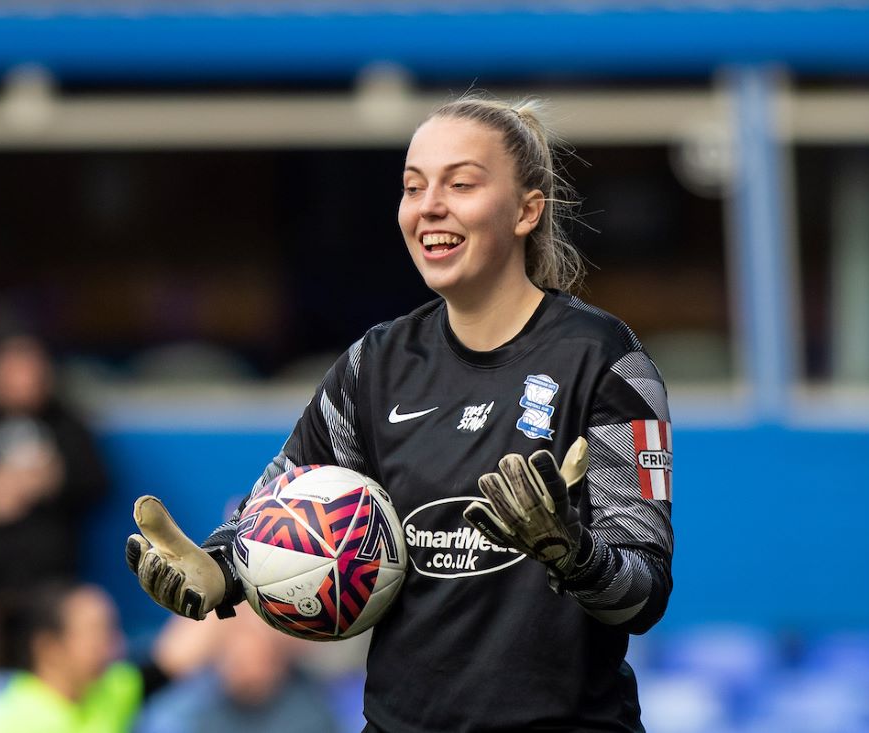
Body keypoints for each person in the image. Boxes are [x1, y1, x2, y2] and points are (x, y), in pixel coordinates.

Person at [127, 96, 675, 732]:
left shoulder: (606, 361)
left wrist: (570, 553)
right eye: (413, 187)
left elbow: (643, 593)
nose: (429, 206)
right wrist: (219, 569)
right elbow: (275, 502)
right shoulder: (375, 364)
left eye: (461, 183)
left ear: (528, 210)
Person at [0, 334, 108, 661]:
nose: (22, 379)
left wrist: (54, 480)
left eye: (30, 369)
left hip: (55, 588)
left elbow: (99, 485)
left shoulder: (69, 428)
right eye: (12, 369)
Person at [0, 581, 212, 733]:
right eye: (96, 632)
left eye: (112, 630)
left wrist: (229, 569)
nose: (116, 645)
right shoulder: (6, 725)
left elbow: (179, 653)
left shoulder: (110, 690)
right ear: (48, 648)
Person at [137, 609, 341, 733]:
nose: (247, 665)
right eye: (237, 656)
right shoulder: (181, 711)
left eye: (262, 653)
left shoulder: (310, 711)